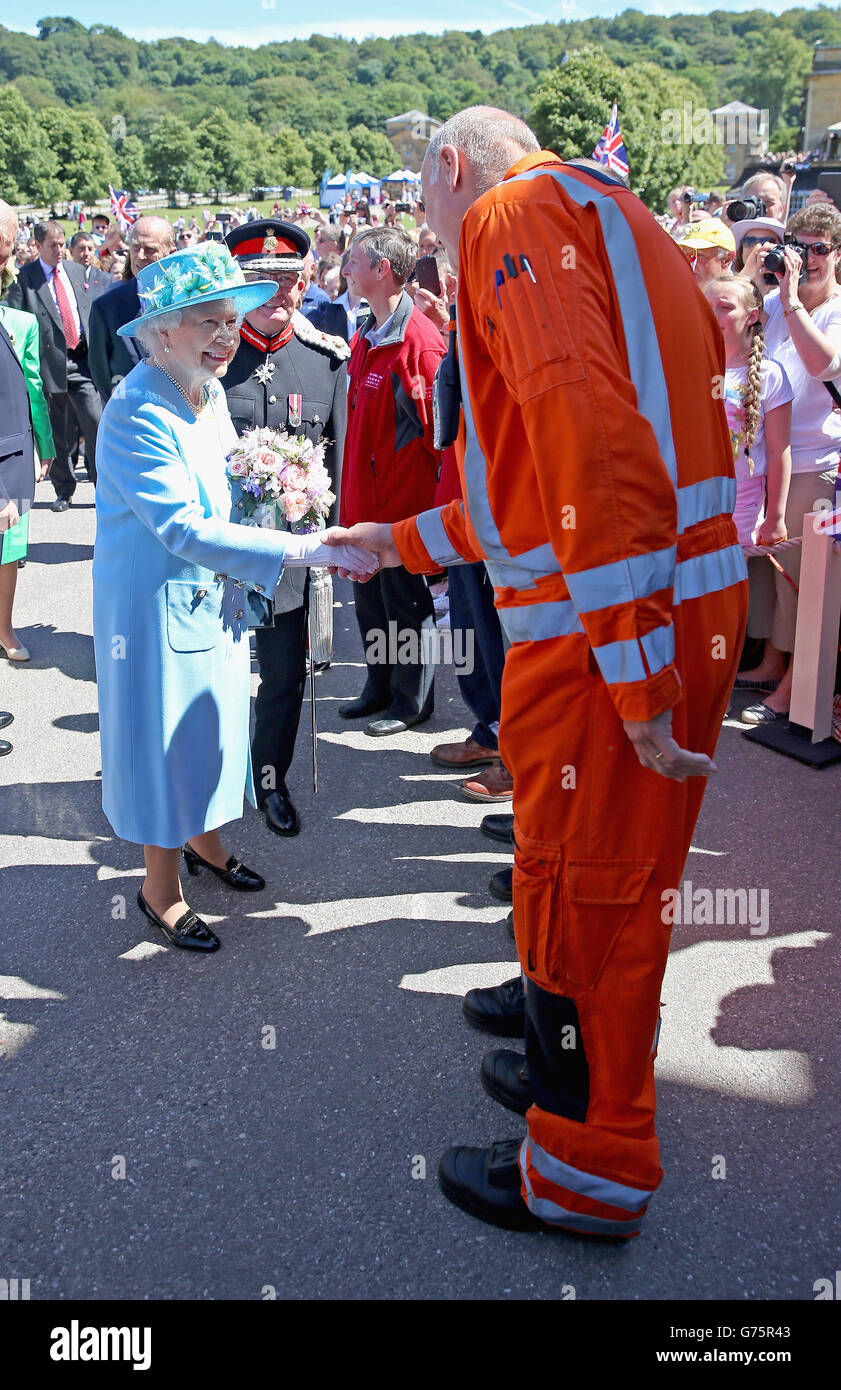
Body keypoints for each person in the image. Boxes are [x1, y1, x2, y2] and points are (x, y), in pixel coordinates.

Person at [329, 106, 747, 1236]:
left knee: (588, 901)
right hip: (645, 607)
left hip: (602, 633)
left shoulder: (512, 221)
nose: (430, 240)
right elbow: (545, 489)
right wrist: (404, 541)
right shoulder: (620, 217)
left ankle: (583, 1166)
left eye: (424, 203)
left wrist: (636, 670)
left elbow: (588, 442)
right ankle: (559, 1054)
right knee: (582, 882)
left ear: (452, 169)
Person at [92, 242, 375, 952]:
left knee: (211, 730)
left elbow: (228, 489)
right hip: (153, 611)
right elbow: (182, 527)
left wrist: (285, 492)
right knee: (166, 744)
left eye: (229, 322)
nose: (225, 338)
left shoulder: (206, 390)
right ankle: (159, 891)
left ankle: (206, 842)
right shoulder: (135, 410)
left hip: (216, 595)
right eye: (207, 323)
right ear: (161, 329)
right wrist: (301, 548)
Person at [224, 219, 349, 838]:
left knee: (281, 679)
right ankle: (212, 788)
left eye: (288, 279)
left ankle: (271, 778)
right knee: (213, 676)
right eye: (262, 281)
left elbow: (339, 466)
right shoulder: (212, 358)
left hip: (289, 561)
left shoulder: (326, 362)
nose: (279, 292)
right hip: (215, 558)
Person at [338, 225, 445, 735]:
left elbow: (438, 437)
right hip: (366, 502)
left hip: (401, 509)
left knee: (405, 604)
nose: (346, 268)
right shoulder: (367, 331)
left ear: (383, 269)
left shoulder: (420, 342)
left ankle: (412, 700)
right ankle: (379, 686)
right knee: (371, 601)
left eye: (355, 260)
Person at [736, 203, 841, 721]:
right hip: (763, 458)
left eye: (820, 249)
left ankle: (797, 689)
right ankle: (772, 661)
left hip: (815, 460)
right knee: (769, 571)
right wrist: (748, 277)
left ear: (837, 254)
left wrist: (793, 300)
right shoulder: (775, 299)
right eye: (799, 247)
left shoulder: (830, 308)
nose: (809, 258)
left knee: (801, 579)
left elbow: (825, 364)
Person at [5, 219, 100, 512]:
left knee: (95, 422)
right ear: (37, 245)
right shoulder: (24, 278)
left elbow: (84, 308)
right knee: (58, 430)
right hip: (48, 365)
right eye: (53, 245)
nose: (60, 250)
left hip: (81, 361)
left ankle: (102, 484)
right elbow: (15, 319)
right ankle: (64, 489)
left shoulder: (74, 271)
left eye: (62, 244)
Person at [0, 201, 55, 664]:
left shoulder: (21, 324)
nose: (11, 260)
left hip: (16, 457)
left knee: (11, 548)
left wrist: (45, 447)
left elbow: (34, 389)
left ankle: (4, 625)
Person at [704, 274, 792, 552]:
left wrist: (776, 516)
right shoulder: (690, 367)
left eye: (725, 307)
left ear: (752, 315)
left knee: (728, 586)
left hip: (742, 501)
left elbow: (780, 451)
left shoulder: (771, 374)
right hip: (694, 498)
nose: (713, 315)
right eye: (707, 307)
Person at [88, 217, 175, 403]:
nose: (140, 255)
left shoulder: (190, 300)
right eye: (135, 247)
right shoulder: (106, 308)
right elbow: (101, 374)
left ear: (170, 253)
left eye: (150, 249)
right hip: (131, 414)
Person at [730, 216, 785, 295]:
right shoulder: (727, 283)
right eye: (749, 241)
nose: (756, 248)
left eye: (766, 241)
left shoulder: (792, 290)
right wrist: (746, 275)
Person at [676, 217, 736, 287]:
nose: (691, 262)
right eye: (686, 255)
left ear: (727, 259)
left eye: (699, 255)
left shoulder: (741, 296)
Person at [69, 233, 114, 297]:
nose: (87, 253)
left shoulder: (106, 279)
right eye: (82, 249)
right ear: (71, 251)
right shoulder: (65, 277)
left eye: (90, 249)